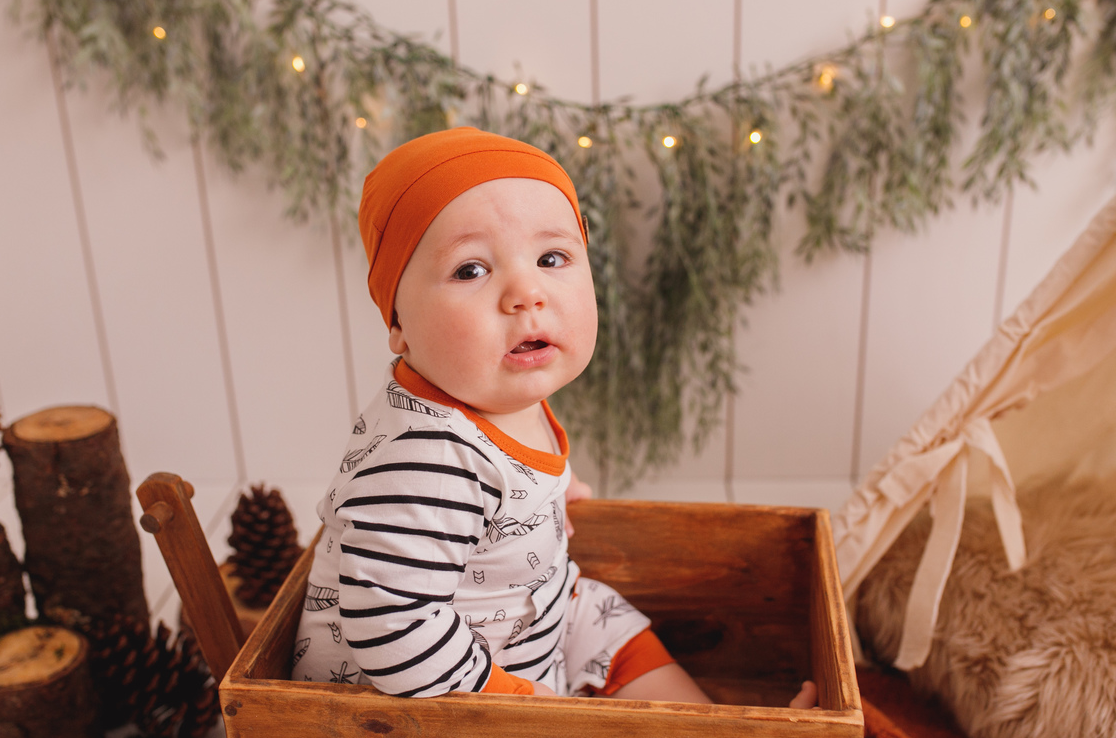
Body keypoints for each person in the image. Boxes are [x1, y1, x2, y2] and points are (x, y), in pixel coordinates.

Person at [291, 126, 816, 708]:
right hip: (429, 688)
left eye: (551, 257)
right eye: (471, 270)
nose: (526, 292)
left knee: (609, 621)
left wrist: (547, 501)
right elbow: (390, 620)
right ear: (398, 325)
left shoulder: (501, 393)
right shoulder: (427, 459)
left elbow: (497, 490)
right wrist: (516, 702)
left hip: (532, 612)